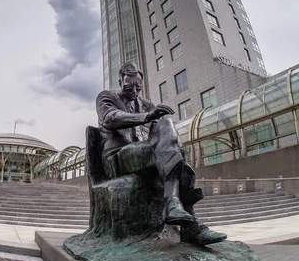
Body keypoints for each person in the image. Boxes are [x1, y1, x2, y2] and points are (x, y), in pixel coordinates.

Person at [96, 62, 227, 245]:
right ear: (120, 81)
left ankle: (176, 208)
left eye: (138, 86)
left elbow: (163, 136)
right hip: (118, 158)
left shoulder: (147, 104)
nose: (134, 90)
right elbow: (110, 118)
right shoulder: (106, 97)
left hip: (147, 156)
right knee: (169, 147)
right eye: (129, 86)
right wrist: (147, 117)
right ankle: (191, 225)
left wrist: (157, 121)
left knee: (167, 127)